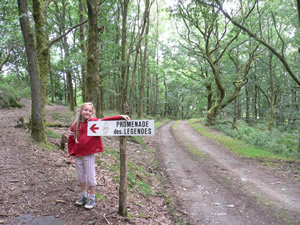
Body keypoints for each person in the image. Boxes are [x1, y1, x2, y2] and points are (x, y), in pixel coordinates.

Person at [68, 102, 130, 209]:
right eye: (85, 110)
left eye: (90, 111)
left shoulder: (94, 122)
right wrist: (71, 154)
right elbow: (71, 141)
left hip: (89, 155)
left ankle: (92, 198)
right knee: (81, 177)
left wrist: (119, 116)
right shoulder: (75, 125)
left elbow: (105, 120)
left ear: (92, 113)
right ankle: (83, 196)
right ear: (80, 111)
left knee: (91, 177)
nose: (87, 112)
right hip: (78, 155)